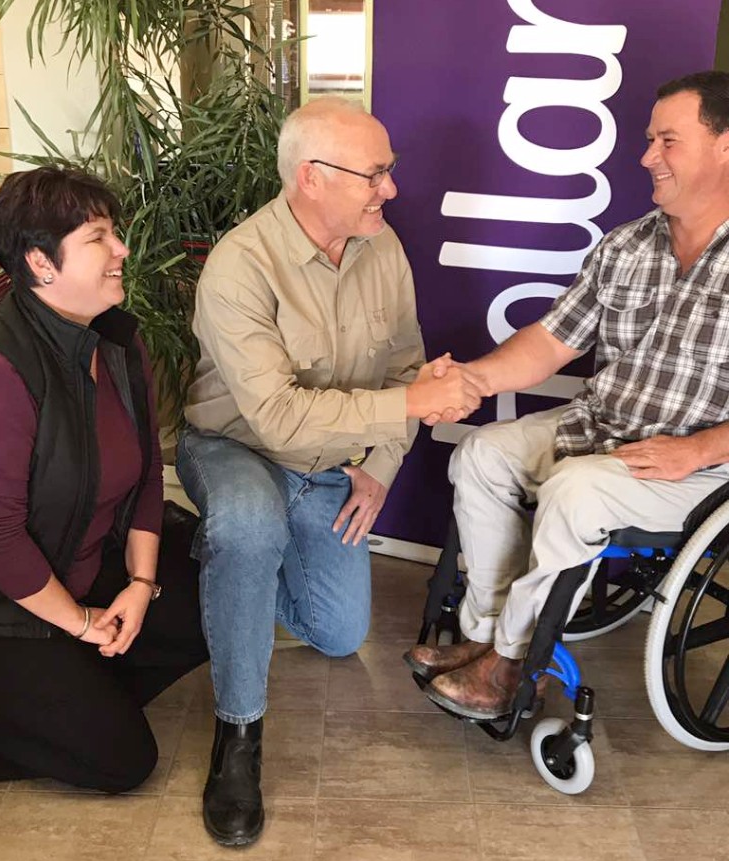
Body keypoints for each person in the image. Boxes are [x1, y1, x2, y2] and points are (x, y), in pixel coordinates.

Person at [176, 96, 479, 847]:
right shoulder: (240, 265)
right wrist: (409, 401)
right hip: (236, 447)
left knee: (339, 634)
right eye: (375, 173)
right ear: (311, 177)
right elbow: (277, 417)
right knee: (249, 523)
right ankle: (237, 737)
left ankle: (220, 562)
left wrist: (379, 462)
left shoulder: (385, 248)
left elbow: (408, 362)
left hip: (330, 463)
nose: (392, 189)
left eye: (390, 170)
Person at [405, 70, 729, 719]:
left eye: (668, 140)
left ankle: (513, 658)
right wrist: (473, 378)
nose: (646, 157)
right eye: (648, 139)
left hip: (701, 466)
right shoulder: (627, 245)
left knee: (574, 490)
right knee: (480, 454)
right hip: (603, 429)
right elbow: (552, 340)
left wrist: (699, 448)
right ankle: (484, 634)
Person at [0, 166, 209, 792]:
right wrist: (80, 623)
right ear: (42, 263)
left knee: (219, 601)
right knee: (123, 760)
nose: (122, 248)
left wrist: (140, 582)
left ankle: (68, 690)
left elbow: (150, 469)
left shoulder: (119, 342)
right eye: (99, 237)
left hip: (85, 564)